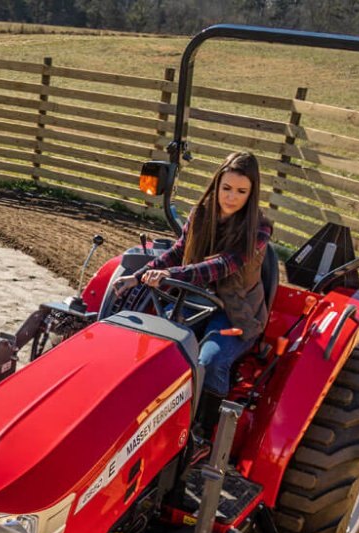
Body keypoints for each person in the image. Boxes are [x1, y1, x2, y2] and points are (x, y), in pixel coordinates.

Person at [112, 151, 273, 450]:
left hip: (235, 313)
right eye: (226, 188)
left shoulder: (259, 229)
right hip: (193, 300)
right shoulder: (200, 215)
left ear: (252, 194)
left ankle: (201, 432)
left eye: (241, 191)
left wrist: (173, 274)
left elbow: (224, 264)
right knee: (155, 348)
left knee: (210, 361)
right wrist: (139, 276)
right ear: (216, 185)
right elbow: (177, 252)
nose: (231, 197)